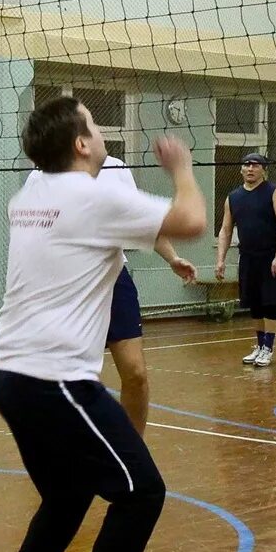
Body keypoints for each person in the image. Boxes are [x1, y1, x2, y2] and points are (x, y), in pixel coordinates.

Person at [0, 97, 206, 552]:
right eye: (93, 123)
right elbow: (193, 222)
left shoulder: (31, 192)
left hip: (8, 373)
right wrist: (181, 167)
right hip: (55, 379)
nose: (101, 130)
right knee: (144, 494)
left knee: (67, 493)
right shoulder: (93, 196)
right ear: (82, 144)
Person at [100, 154, 198, 435]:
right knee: (77, 381)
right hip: (71, 284)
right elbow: (192, 220)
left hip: (114, 278)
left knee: (136, 375)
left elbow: (142, 223)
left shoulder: (114, 167)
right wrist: (181, 170)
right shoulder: (47, 171)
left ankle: (134, 452)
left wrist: (172, 258)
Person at [213, 152, 276, 367]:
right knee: (254, 304)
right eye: (246, 164)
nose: (250, 168)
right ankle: (259, 345)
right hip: (247, 258)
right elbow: (225, 230)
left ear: (263, 170)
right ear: (241, 169)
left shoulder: (273, 193)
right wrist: (221, 260)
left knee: (270, 303)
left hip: (270, 258)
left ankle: (268, 347)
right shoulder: (233, 197)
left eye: (255, 165)